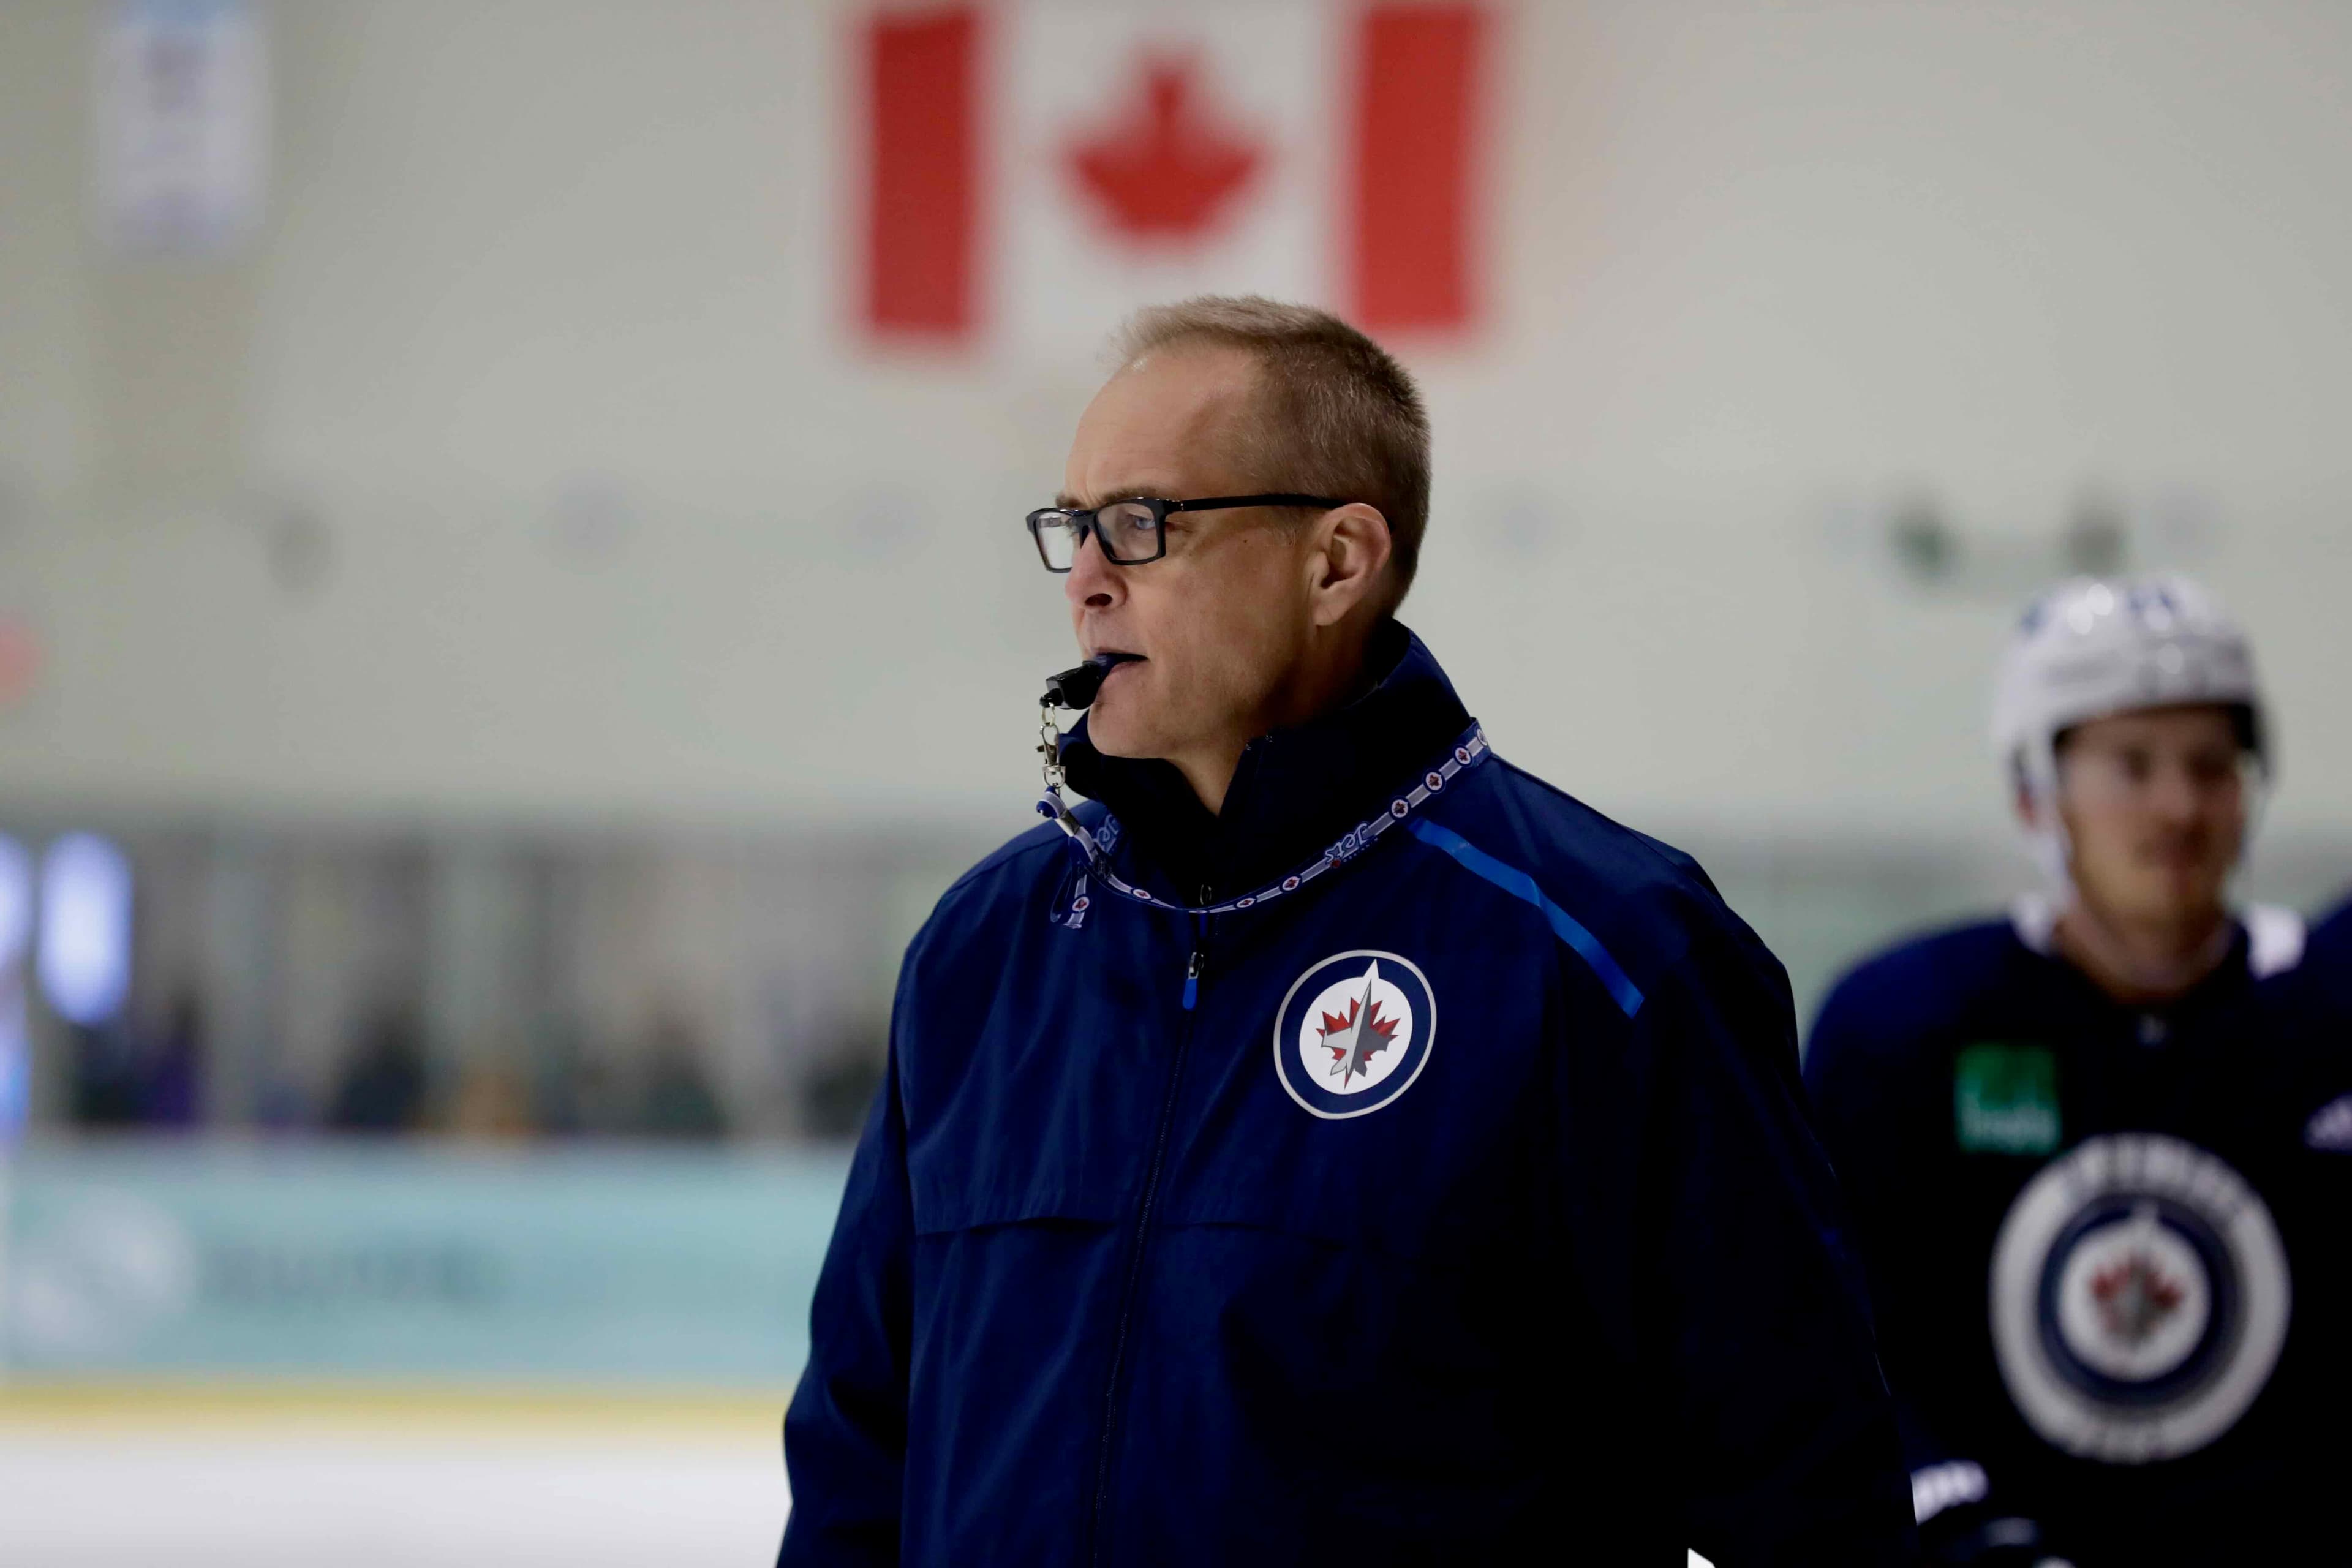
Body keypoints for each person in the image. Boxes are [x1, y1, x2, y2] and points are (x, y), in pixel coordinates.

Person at [780, 296, 1910, 1566]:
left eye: (1143, 525)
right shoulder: (988, 948)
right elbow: (858, 1455)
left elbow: (1815, 1507)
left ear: (1336, 561)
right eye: (1075, 527)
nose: (1088, 578)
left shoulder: (1606, 957)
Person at [1804, 576, 2351, 1565]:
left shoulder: (2330, 1011)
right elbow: (1839, 1348)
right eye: (2131, 765)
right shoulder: (1905, 1033)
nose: (2179, 806)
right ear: (2035, 791)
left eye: (2211, 764)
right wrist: (1959, 1527)